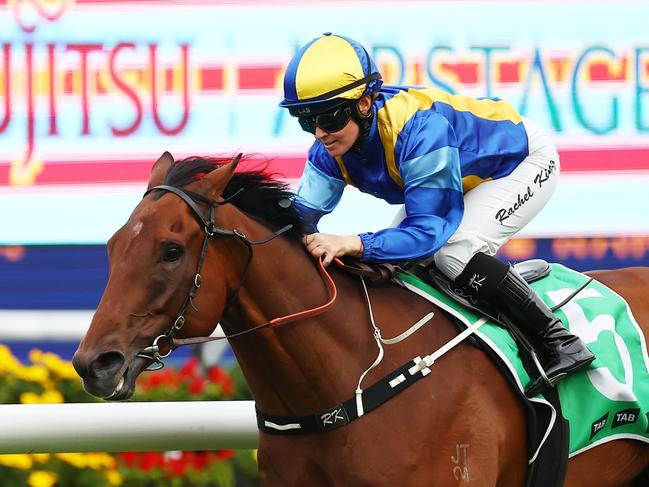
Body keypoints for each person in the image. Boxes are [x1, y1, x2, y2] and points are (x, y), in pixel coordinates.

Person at [279, 33, 594, 397]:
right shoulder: (327, 150)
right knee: (401, 269)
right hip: (460, 174)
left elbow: (430, 232)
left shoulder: (417, 130)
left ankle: (558, 340)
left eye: (329, 118)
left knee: (452, 252)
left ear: (364, 103)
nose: (319, 133)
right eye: (306, 121)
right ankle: (495, 286)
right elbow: (298, 218)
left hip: (520, 162)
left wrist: (353, 242)